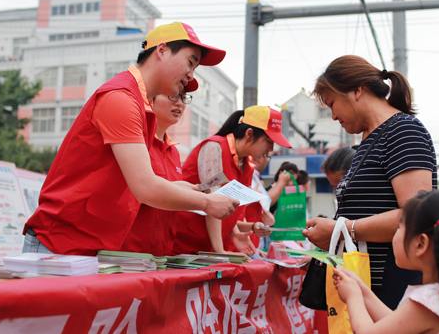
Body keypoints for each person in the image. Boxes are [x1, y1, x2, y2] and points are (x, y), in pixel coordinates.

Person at [23, 22, 239, 256]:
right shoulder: (121, 98)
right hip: (59, 244)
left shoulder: (140, 106)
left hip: (88, 246)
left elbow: (132, 182)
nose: (191, 75)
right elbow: (145, 187)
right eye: (190, 62)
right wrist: (207, 203)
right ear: (162, 50)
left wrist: (174, 187)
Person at [303, 55, 437, 309]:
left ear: (356, 91)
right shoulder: (370, 140)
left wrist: (342, 230)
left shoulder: (403, 131)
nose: (333, 116)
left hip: (394, 284)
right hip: (369, 285)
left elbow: (417, 216)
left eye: (332, 104)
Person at [332, 190, 439, 334]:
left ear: (421, 244)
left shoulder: (428, 300)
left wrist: (353, 296)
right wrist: (361, 288)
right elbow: (395, 325)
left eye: (399, 228)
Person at [172, 106, 292, 255]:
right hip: (185, 243)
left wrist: (234, 234)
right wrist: (220, 251)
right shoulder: (214, 147)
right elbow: (213, 200)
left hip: (209, 247)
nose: (271, 149)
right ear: (249, 134)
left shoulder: (247, 164)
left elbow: (228, 208)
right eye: (268, 141)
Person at [117, 91, 191, 255]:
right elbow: (137, 190)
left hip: (160, 254)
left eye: (184, 98)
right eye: (172, 95)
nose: (179, 103)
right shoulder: (135, 141)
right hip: (127, 253)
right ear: (151, 99)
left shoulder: (174, 152)